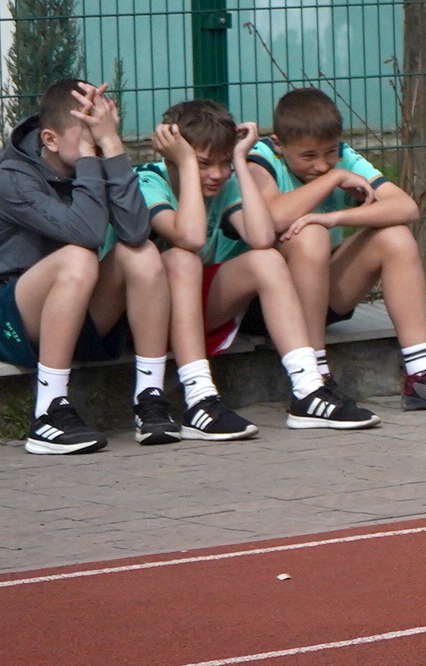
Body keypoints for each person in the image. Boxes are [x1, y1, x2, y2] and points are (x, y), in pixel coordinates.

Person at [139, 99, 378, 433]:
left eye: (224, 163)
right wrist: (187, 167)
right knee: (181, 259)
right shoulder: (149, 180)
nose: (217, 174)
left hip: (202, 307)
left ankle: (308, 389)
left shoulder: (227, 181)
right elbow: (190, 237)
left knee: (266, 259)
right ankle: (199, 398)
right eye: (204, 164)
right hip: (148, 317)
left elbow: (262, 237)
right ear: (173, 156)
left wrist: (240, 159)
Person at [250, 87, 426, 412]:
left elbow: (405, 207)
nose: (322, 164)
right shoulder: (260, 158)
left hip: (319, 294)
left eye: (330, 153)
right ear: (278, 144)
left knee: (395, 236)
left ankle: (421, 373)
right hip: (262, 303)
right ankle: (315, 379)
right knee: (309, 233)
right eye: (308, 156)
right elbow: (273, 218)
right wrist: (334, 180)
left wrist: (336, 217)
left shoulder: (343, 156)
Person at [0, 80, 171, 452]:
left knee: (142, 254)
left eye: (103, 130)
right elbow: (87, 232)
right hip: (14, 318)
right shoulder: (12, 178)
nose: (96, 142)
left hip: (79, 309)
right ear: (49, 139)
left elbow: (137, 231)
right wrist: (96, 157)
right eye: (88, 135)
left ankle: (150, 399)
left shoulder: (95, 158)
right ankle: (47, 413)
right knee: (78, 257)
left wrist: (112, 147)